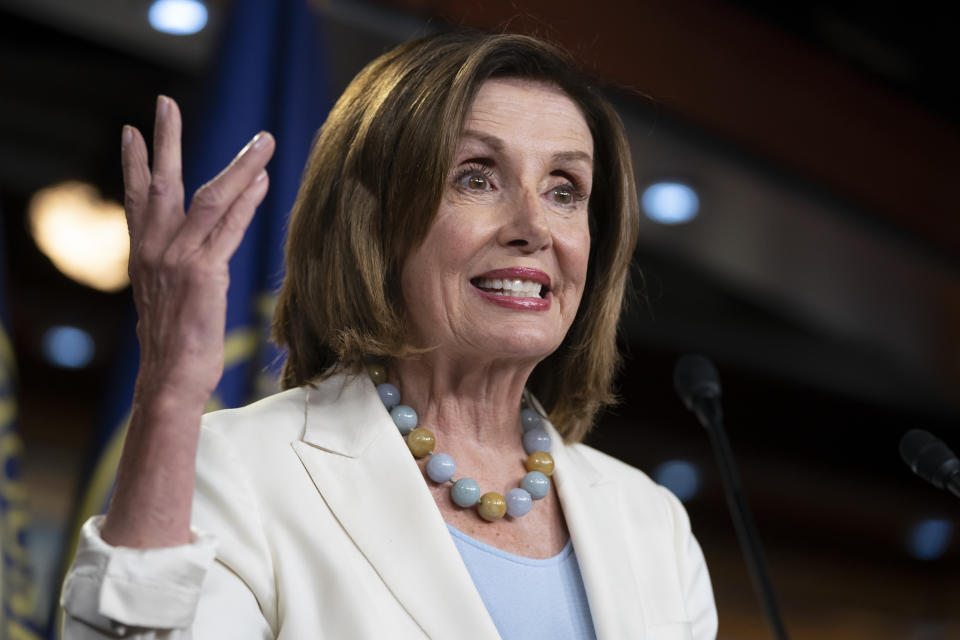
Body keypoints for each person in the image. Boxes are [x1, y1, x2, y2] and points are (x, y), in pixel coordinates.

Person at [61, 31, 717, 639]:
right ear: (371, 222)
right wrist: (171, 394)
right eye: (476, 176)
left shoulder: (652, 524)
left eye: (564, 190)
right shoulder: (244, 471)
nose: (534, 226)